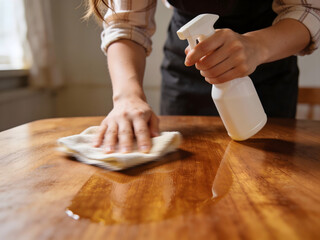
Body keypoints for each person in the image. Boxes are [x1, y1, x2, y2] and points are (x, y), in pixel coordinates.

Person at [86, 0, 320, 153]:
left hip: (269, 61)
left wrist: (256, 47)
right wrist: (127, 97)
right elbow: (128, 26)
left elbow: (309, 10)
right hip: (184, 71)